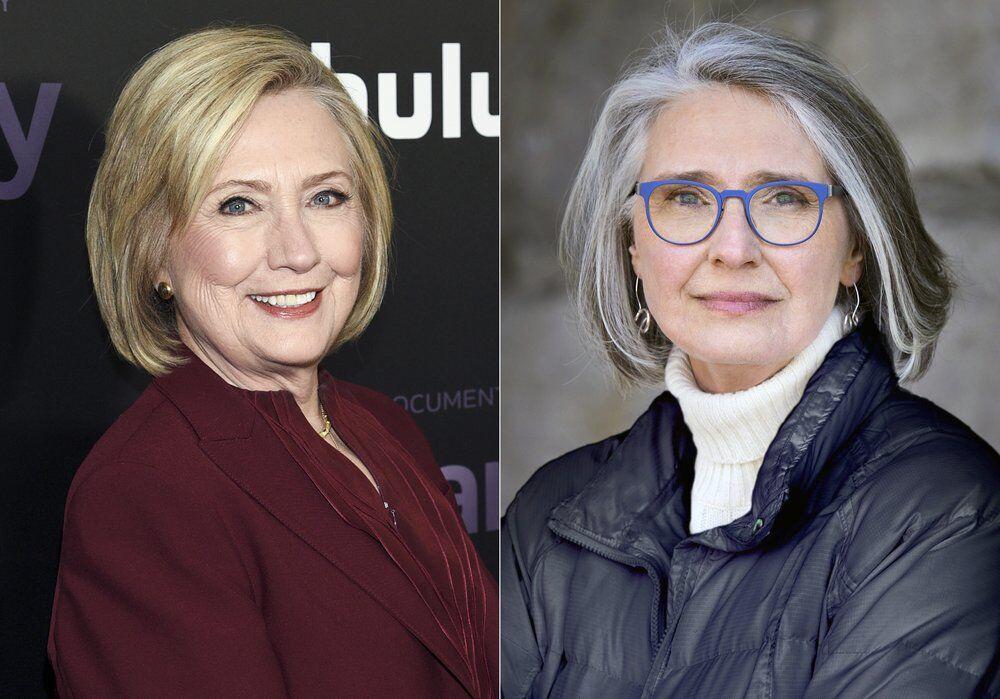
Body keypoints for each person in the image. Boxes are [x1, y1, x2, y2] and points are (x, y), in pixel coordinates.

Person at [501, 21, 999, 698]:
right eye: (685, 198)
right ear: (633, 245)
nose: (732, 247)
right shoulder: (547, 518)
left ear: (855, 246)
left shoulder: (949, 509)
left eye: (784, 198)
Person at [47, 24, 497, 698]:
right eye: (238, 204)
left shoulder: (382, 427)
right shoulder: (146, 494)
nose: (296, 251)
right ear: (152, 249)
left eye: (325, 197)